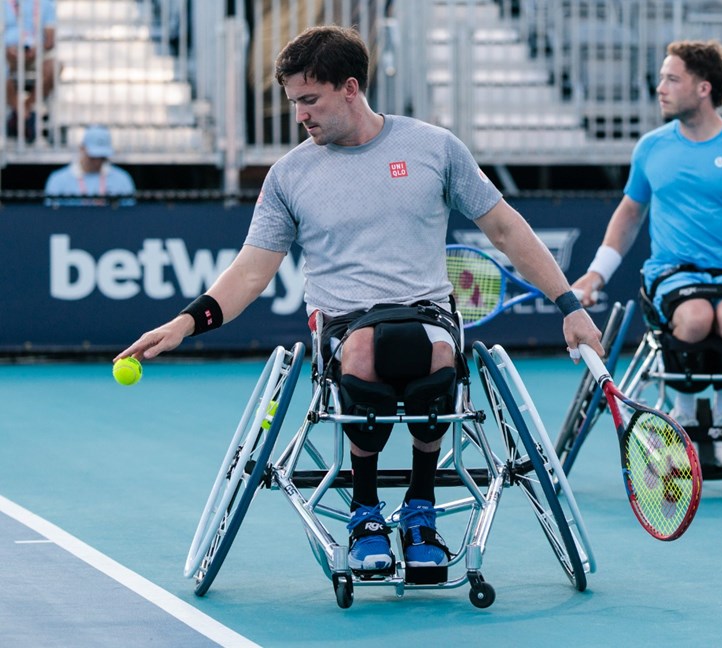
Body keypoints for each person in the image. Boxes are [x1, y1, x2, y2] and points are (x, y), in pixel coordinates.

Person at [115, 25, 602, 581]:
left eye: (309, 100)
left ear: (350, 88)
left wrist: (570, 306)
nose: (300, 114)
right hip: (343, 323)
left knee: (437, 353)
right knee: (368, 350)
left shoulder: (434, 148)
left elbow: (506, 229)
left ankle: (421, 512)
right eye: (294, 101)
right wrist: (184, 323)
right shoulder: (289, 175)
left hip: (428, 313)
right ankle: (365, 512)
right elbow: (251, 272)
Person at [572, 40, 722, 470]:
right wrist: (595, 275)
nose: (659, 87)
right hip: (672, 274)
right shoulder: (651, 148)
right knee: (697, 317)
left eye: (671, 78)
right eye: (661, 77)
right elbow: (628, 216)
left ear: (703, 88)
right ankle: (682, 413)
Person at [4, 0, 60, 141]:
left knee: (54, 67)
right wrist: (7, 50)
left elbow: (50, 39)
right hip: (5, 54)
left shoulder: (46, 2)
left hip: (36, 54)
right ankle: (25, 116)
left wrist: (38, 48)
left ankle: (21, 112)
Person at [44, 125, 137, 207]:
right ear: (82, 149)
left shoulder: (122, 179)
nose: (98, 161)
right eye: (93, 156)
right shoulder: (58, 180)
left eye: (102, 157)